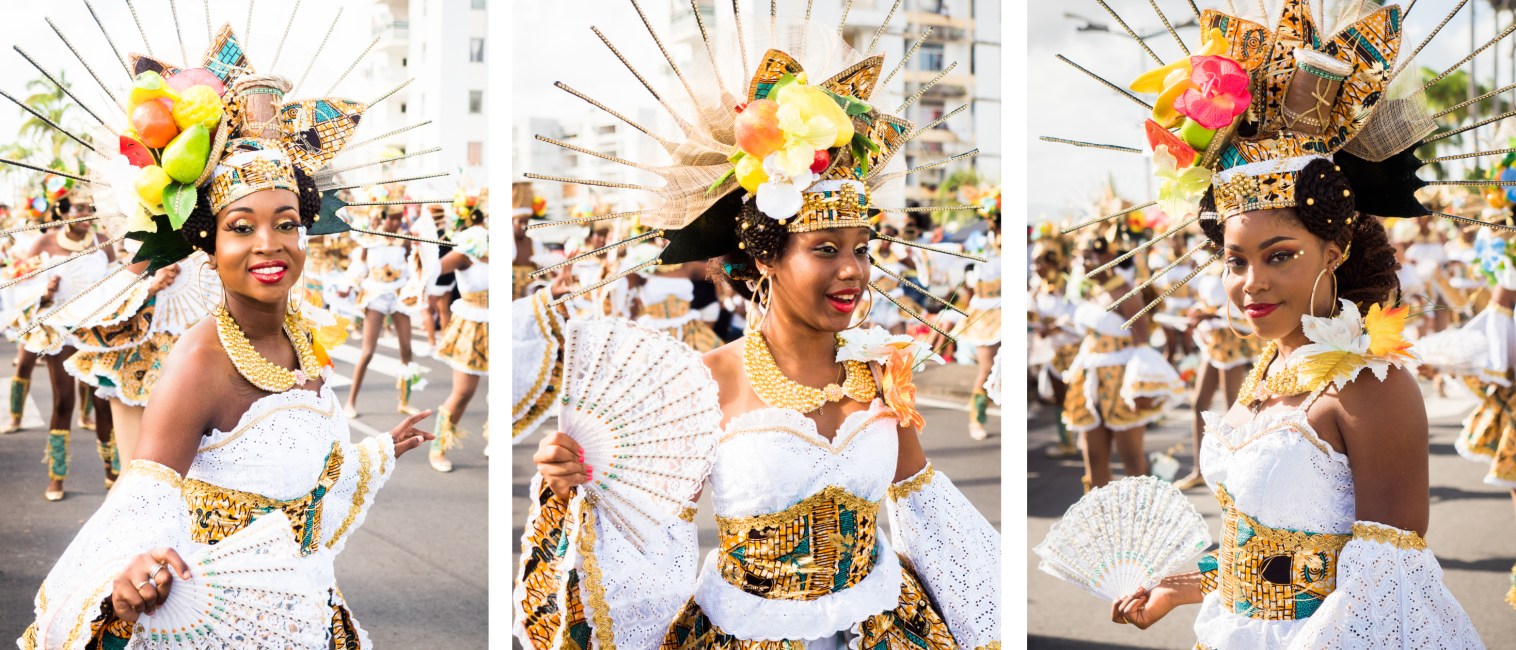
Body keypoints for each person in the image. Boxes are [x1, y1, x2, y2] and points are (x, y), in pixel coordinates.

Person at [513, 15, 1000, 647]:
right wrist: (572, 482)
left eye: (861, 248)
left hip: (884, 622)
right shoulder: (705, 383)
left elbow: (925, 508)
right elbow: (647, 535)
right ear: (766, 257)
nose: (853, 270)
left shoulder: (881, 372)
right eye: (825, 249)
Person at [19, 28, 437, 647]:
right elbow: (140, 507)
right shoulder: (200, 362)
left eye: (286, 224)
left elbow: (280, 489)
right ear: (209, 248)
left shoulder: (299, 335)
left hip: (307, 612)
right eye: (242, 227)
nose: (270, 244)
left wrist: (373, 456)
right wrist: (131, 576)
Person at [2, 186, 120, 501]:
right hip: (60, 331)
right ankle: (56, 475)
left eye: (90, 208)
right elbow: (20, 288)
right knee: (63, 401)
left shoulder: (103, 242)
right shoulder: (44, 243)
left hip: (96, 330)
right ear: (63, 212)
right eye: (79, 208)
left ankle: (112, 471)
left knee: (103, 403)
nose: (86, 214)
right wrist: (45, 293)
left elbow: (117, 284)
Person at [1063, 224, 1184, 490]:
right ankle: (1098, 512)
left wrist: (1140, 387)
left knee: (1132, 462)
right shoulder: (1093, 290)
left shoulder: (1126, 293)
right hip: (1089, 381)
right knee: (1094, 459)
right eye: (1080, 257)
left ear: (1108, 257)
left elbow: (1142, 344)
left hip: (1120, 383)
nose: (1083, 263)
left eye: (1089, 256)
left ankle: (1138, 513)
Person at [343, 206, 424, 418]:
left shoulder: (404, 240)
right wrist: (349, 286)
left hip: (398, 295)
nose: (396, 223)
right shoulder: (369, 238)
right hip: (376, 295)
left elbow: (414, 264)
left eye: (399, 219)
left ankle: (404, 401)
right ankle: (350, 402)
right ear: (383, 218)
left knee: (406, 350)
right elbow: (360, 265)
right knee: (368, 352)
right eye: (392, 219)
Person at [429, 210, 489, 472]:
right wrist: (420, 252)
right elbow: (433, 270)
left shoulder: (501, 248)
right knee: (463, 393)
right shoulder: (465, 252)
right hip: (472, 325)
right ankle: (438, 447)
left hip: (502, 323)